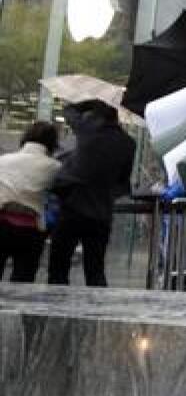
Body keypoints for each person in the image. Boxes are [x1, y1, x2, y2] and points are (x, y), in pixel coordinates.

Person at [48, 100, 135, 287]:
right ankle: (96, 309)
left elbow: (69, 110)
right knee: (95, 270)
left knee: (59, 266)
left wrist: (90, 103)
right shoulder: (129, 143)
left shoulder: (88, 129)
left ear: (96, 116)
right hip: (102, 214)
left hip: (73, 207)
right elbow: (123, 181)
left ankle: (54, 309)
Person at [0, 122, 62, 282]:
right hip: (30, 230)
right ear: (52, 143)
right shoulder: (55, 167)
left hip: (2, 223)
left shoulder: (4, 160)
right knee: (23, 279)